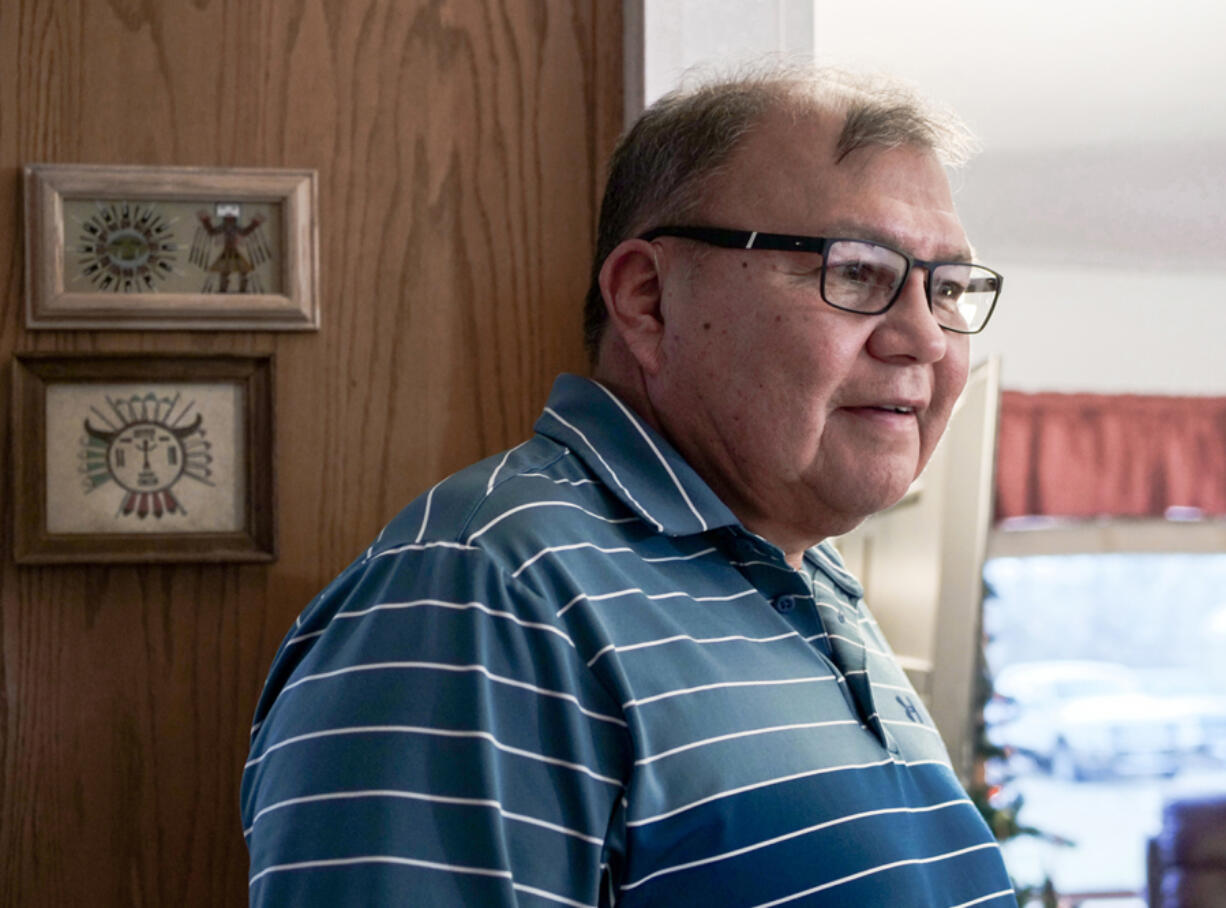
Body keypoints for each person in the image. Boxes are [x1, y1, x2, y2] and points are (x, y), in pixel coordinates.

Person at [242, 65, 1013, 906]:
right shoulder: (486, 593)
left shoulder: (808, 574)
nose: (925, 341)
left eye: (946, 290)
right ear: (647, 300)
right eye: (858, 272)